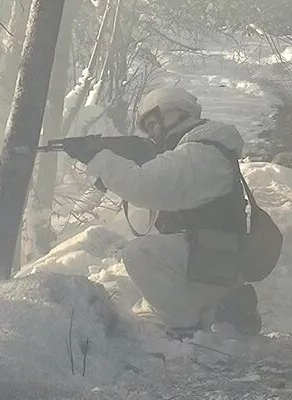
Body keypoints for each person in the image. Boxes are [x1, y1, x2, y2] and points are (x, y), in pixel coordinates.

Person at [74, 86, 261, 338]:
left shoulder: (198, 152)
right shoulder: (204, 149)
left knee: (139, 254)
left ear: (174, 114)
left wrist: (102, 159)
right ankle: (220, 304)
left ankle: (186, 328)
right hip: (215, 252)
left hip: (215, 258)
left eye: (154, 124)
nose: (153, 134)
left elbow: (144, 186)